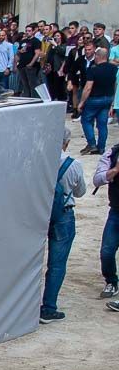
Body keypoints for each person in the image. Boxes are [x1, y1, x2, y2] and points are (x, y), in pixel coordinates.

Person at [40, 127, 86, 323]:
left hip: (38, 215)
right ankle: (49, 306)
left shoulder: (38, 161)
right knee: (57, 264)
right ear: (66, 143)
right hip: (63, 215)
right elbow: (80, 192)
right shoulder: (73, 165)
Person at [76, 45, 117, 155]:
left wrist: (81, 102)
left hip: (94, 98)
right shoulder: (113, 68)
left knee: (86, 120)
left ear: (97, 56)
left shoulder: (93, 69)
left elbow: (88, 87)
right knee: (102, 124)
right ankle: (101, 147)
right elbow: (115, 84)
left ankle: (92, 144)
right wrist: (113, 102)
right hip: (108, 98)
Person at [94, 143, 119, 302]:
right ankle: (111, 281)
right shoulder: (112, 152)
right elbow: (97, 179)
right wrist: (115, 170)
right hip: (116, 211)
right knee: (106, 252)